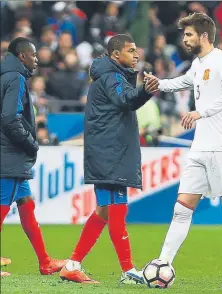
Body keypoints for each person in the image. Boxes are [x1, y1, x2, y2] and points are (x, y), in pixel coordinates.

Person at [144, 13, 222, 289]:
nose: (185, 39)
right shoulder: (198, 64)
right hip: (200, 148)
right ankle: (163, 263)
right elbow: (182, 81)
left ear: (204, 36)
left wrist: (200, 113)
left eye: (189, 35)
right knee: (182, 207)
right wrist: (158, 84)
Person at [59, 34, 159, 284]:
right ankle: (128, 271)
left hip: (108, 152)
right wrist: (145, 91)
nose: (136, 55)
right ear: (116, 55)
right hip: (110, 154)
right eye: (131, 50)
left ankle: (72, 265)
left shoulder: (110, 75)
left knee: (105, 211)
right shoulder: (112, 77)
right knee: (116, 210)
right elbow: (125, 100)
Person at [0, 37, 66, 277]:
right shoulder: (15, 78)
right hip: (10, 154)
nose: (37, 59)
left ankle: (45, 261)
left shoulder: (4, 76)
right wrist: (30, 143)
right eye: (34, 55)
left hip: (8, 154)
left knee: (26, 205)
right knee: (2, 206)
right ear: (22, 56)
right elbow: (9, 118)